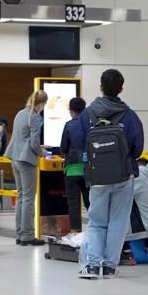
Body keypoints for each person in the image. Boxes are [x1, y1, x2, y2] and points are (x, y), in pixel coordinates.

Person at [71, 69, 144, 279]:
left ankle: (93, 266)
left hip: (97, 176)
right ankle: (110, 266)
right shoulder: (129, 116)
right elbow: (137, 148)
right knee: (118, 221)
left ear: (101, 87)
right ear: (121, 88)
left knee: (96, 221)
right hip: (123, 175)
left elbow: (77, 141)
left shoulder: (88, 115)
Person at [4, 90, 48, 246]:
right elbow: (34, 143)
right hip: (27, 160)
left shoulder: (20, 113)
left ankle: (19, 234)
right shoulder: (34, 117)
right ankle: (28, 235)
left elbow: (22, 137)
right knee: (29, 197)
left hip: (15, 157)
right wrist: (42, 152)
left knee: (21, 196)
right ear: (41, 104)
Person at [60, 97, 89, 235]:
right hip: (88, 170)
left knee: (73, 203)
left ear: (71, 110)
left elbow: (63, 148)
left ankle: (75, 232)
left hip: (72, 170)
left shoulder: (69, 125)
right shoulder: (90, 125)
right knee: (90, 202)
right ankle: (94, 231)